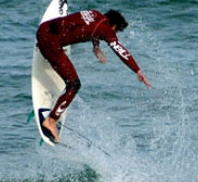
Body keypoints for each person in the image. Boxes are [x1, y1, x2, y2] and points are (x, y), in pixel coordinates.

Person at [36, 8, 152, 143]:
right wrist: (137, 71)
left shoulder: (95, 13)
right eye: (116, 31)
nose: (114, 34)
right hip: (49, 43)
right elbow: (120, 50)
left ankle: (48, 52)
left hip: (43, 29)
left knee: (64, 37)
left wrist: (96, 47)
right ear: (114, 26)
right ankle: (51, 121)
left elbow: (89, 26)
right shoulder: (106, 30)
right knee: (74, 84)